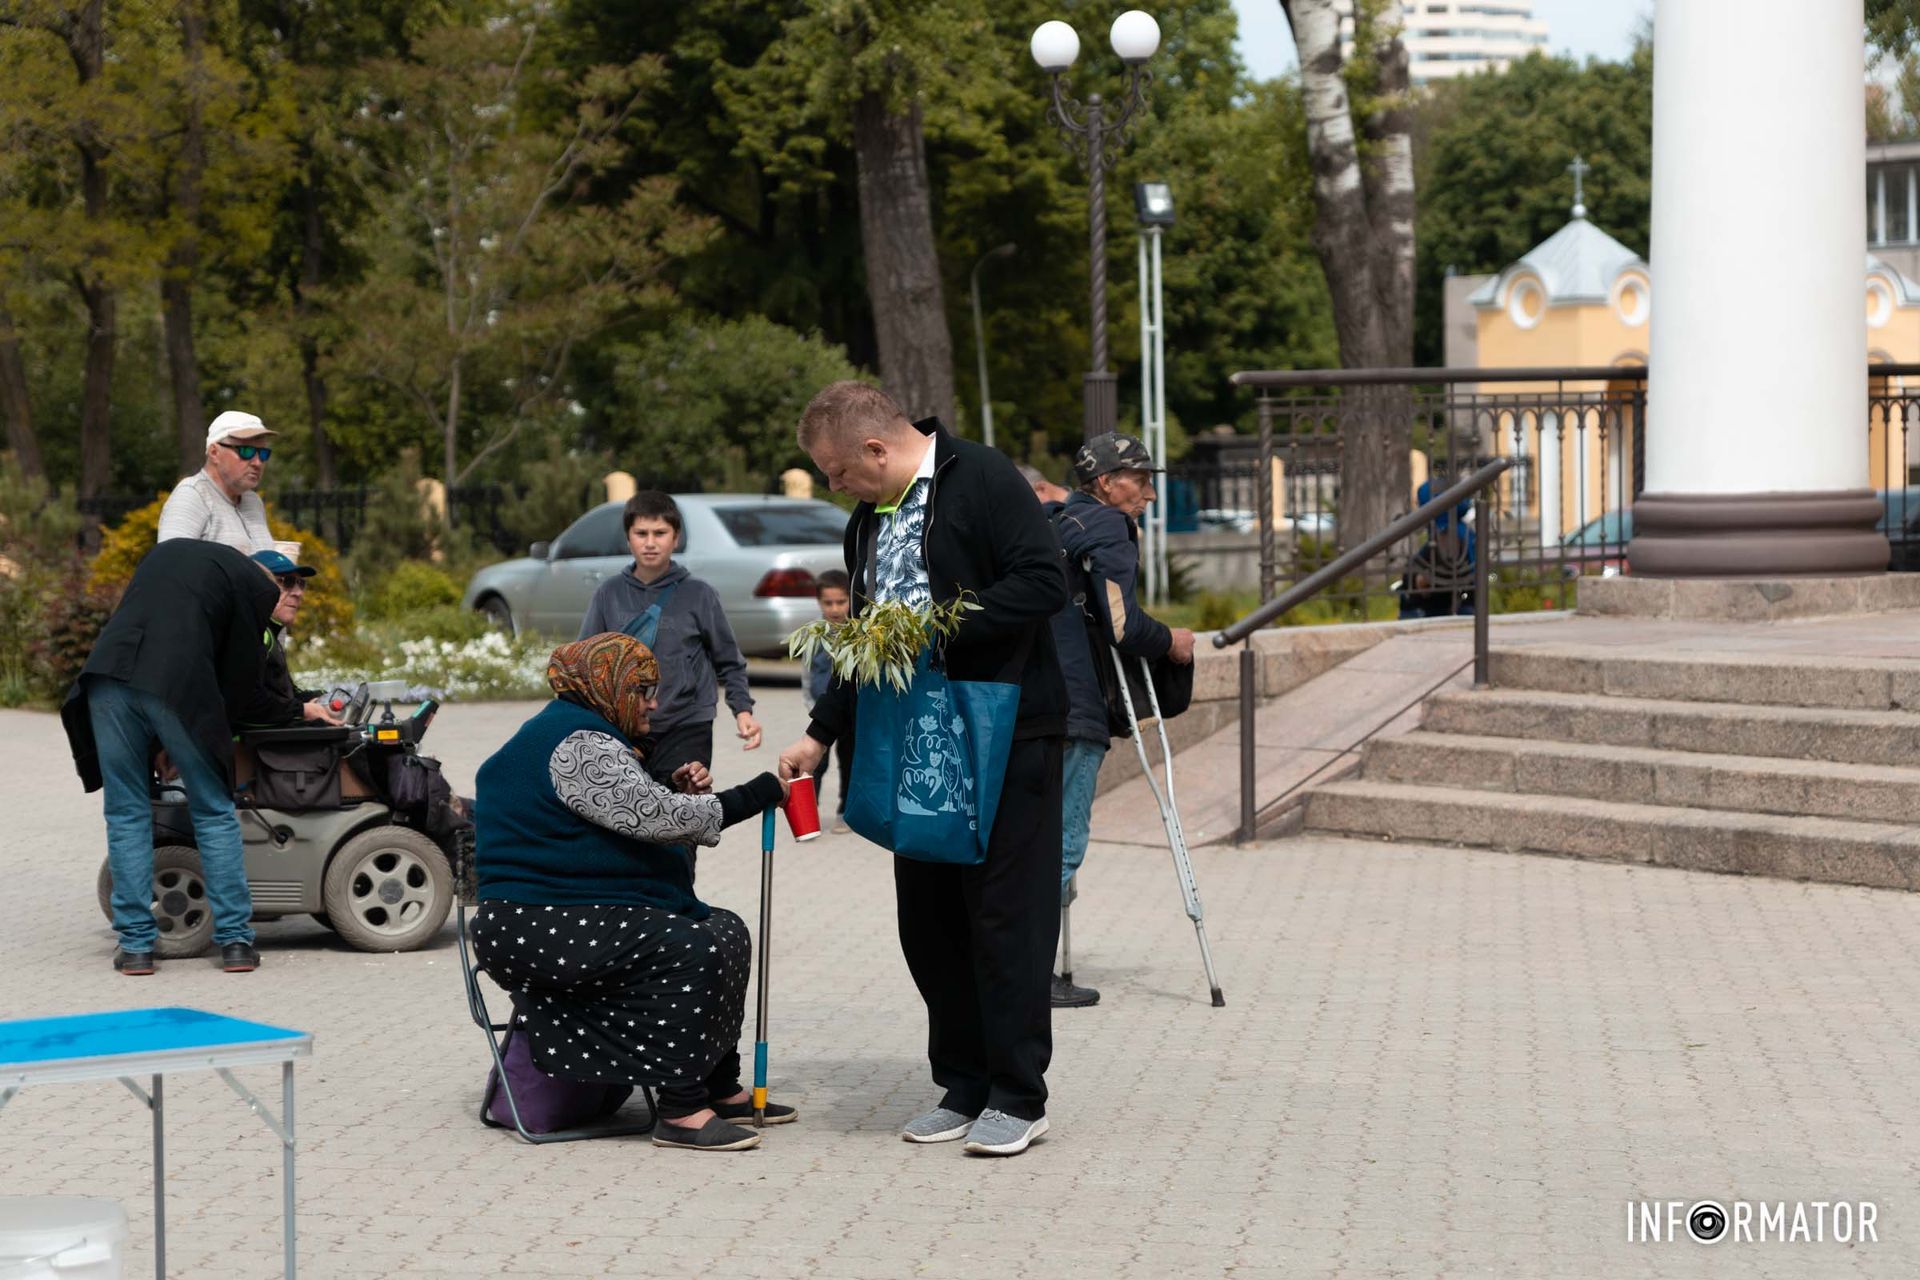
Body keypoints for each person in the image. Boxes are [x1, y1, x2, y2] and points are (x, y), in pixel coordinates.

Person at [777, 381, 1069, 1158]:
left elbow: (1044, 581)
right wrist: (819, 733)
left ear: (877, 449)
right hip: (914, 737)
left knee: (1004, 915)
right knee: (930, 920)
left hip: (1006, 728)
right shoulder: (868, 519)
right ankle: (963, 1083)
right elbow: (866, 641)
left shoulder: (982, 477)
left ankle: (1018, 1094)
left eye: (839, 471)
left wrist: (939, 624)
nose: (836, 487)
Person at [470, 632, 790, 1152]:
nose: (653, 703)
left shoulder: (586, 735)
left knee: (725, 929)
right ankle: (682, 1107)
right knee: (691, 946)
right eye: (643, 690)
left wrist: (676, 793)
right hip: (531, 923)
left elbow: (633, 816)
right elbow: (659, 819)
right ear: (607, 685)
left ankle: (717, 1083)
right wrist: (755, 794)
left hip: (559, 913)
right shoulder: (576, 743)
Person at [61, 539, 341, 976]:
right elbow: (238, 687)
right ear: (266, 582)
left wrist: (165, 740)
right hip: (175, 683)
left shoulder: (169, 555)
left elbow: (149, 635)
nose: (291, 592)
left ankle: (136, 947)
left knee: (126, 814)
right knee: (213, 809)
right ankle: (235, 942)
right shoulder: (254, 586)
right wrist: (188, 738)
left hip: (108, 678)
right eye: (286, 584)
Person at [1043, 432, 1197, 1009]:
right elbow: (1122, 626)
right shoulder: (1107, 527)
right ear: (1106, 483)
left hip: (1037, 700)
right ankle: (1032, 976)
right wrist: (1174, 642)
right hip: (1076, 707)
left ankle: (1021, 968)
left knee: (1038, 835)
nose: (1151, 494)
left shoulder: (1059, 521)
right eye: (1140, 480)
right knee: (1062, 842)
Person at [577, 491, 762, 781]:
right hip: (624, 727)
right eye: (641, 533)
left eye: (660, 533)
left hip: (687, 724)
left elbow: (729, 662)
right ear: (628, 538)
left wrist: (743, 711)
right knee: (631, 814)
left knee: (680, 806)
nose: (650, 542)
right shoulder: (608, 594)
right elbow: (585, 663)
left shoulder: (699, 594)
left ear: (676, 538)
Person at [157, 410, 278, 553]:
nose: (258, 462)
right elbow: (171, 563)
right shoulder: (192, 495)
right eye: (246, 451)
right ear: (214, 453)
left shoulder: (253, 501)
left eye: (263, 453)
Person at [802, 569, 855, 834]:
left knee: (849, 760)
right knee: (815, 762)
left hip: (850, 715)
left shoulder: (860, 632)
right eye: (828, 603)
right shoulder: (814, 632)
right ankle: (808, 814)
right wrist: (812, 707)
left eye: (840, 602)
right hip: (820, 713)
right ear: (819, 602)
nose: (834, 609)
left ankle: (846, 811)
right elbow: (807, 673)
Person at [1397, 479, 1476, 620]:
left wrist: (1421, 580)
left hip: (1436, 608)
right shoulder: (1460, 532)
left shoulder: (1447, 534)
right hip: (1454, 601)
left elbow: (1444, 570)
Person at [250, 547, 318, 709]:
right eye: (287, 582)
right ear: (258, 584)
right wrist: (302, 712)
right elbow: (248, 706)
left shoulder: (270, 634)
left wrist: (321, 699)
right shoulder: (253, 636)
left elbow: (285, 697)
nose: (298, 593)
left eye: (301, 583)